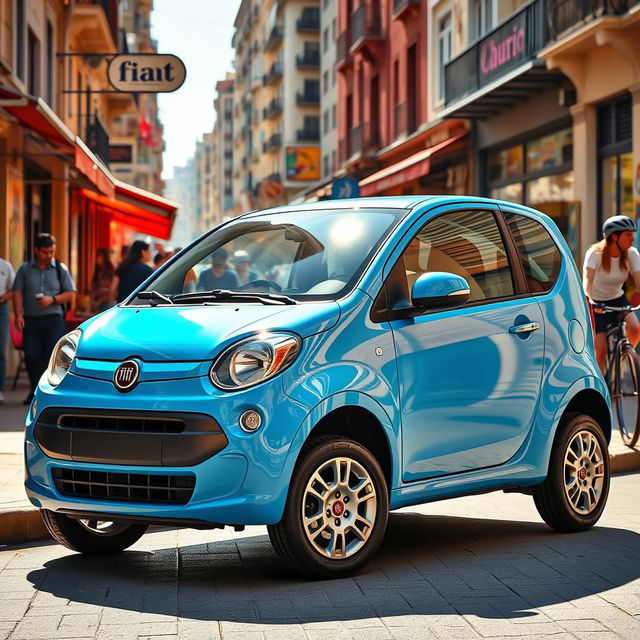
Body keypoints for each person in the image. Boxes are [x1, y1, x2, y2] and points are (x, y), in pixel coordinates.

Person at [12, 233, 76, 404]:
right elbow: (17, 291)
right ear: (36, 250)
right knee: (32, 357)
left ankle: (48, 394)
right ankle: (34, 392)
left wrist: (52, 300)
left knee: (51, 357)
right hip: (31, 320)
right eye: (45, 252)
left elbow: (70, 294)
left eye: (52, 252)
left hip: (53, 320)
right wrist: (18, 313)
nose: (49, 255)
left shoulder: (60, 269)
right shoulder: (24, 269)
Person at [583, 215, 640, 374]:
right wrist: (591, 302)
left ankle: (622, 358)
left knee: (635, 329)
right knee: (600, 353)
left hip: (618, 299)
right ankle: (602, 391)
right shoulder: (595, 254)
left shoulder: (632, 254)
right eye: (628, 234)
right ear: (614, 236)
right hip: (597, 304)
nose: (633, 238)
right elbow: (587, 281)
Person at [0, 254, 15, 405]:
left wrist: (4, 297)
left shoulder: (5, 266)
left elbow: (15, 289)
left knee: (1, 351)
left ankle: (0, 389)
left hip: (1, 308)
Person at [89, 248, 115, 313]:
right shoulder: (97, 272)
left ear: (105, 258)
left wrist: (100, 301)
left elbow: (110, 290)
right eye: (96, 256)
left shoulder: (110, 272)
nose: (97, 259)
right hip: (98, 305)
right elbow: (94, 289)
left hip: (108, 304)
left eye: (99, 256)